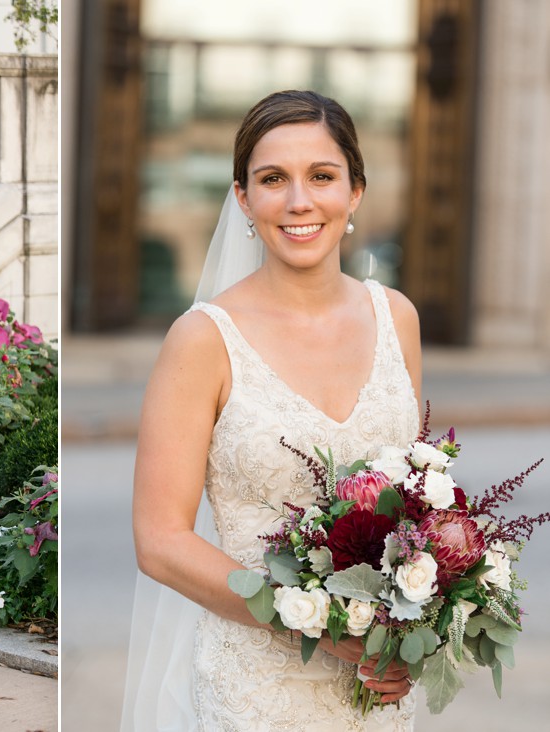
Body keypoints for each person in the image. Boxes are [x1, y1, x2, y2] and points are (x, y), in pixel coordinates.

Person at [121, 91, 423, 730]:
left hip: (380, 683)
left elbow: (415, 497)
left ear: (355, 191)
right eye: (272, 180)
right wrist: (309, 618)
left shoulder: (397, 318)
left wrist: (427, 599)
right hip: (257, 688)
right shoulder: (202, 340)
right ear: (243, 198)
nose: (299, 201)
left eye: (321, 176)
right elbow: (160, 542)